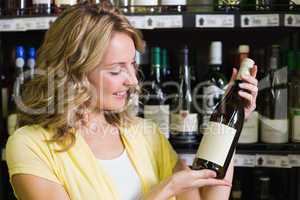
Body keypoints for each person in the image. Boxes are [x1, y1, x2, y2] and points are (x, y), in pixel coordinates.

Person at [5, 1, 258, 200]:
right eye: (116, 70)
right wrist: (165, 189)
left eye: (132, 65)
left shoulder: (143, 133)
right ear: (73, 72)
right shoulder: (30, 145)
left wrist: (231, 121)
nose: (133, 81)